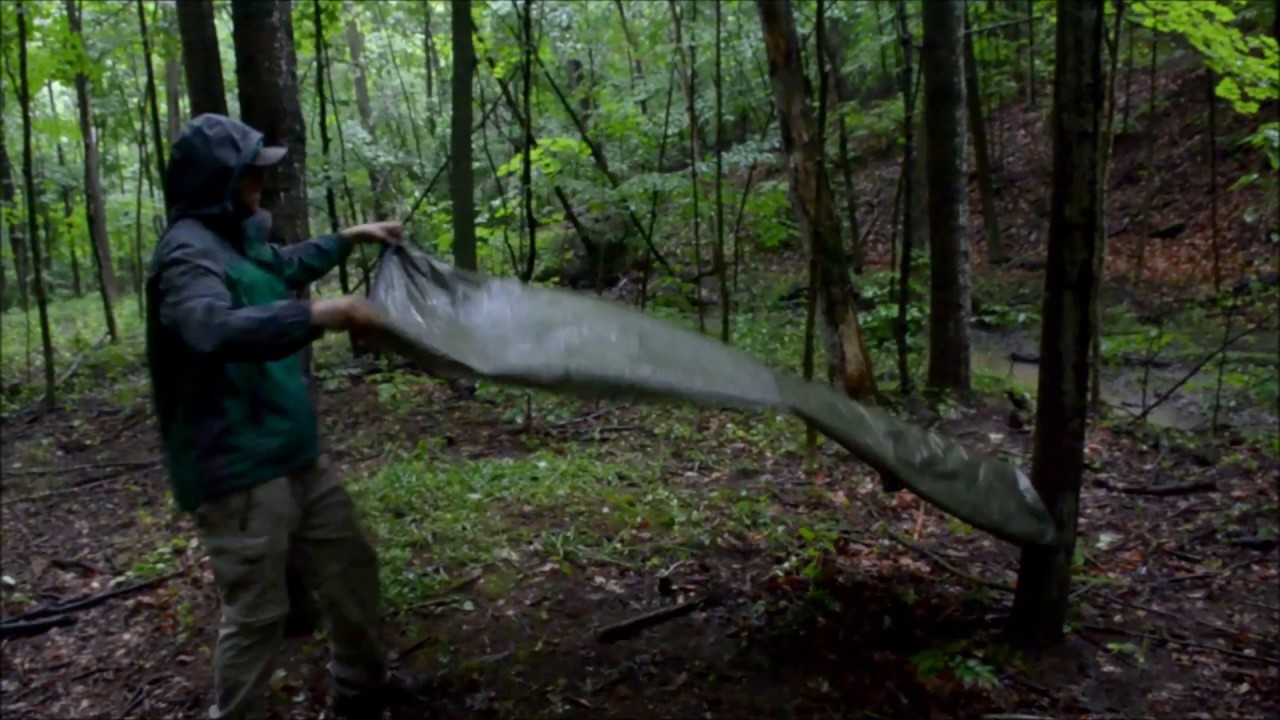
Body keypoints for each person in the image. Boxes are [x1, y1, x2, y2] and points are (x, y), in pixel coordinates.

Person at [145, 113, 422, 720]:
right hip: (237, 466)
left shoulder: (235, 237)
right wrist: (320, 315)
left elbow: (281, 265)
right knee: (257, 613)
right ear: (218, 182)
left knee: (350, 566)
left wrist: (349, 238)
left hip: (292, 450)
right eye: (250, 174)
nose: (261, 184)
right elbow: (210, 328)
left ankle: (360, 688)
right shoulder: (187, 254)